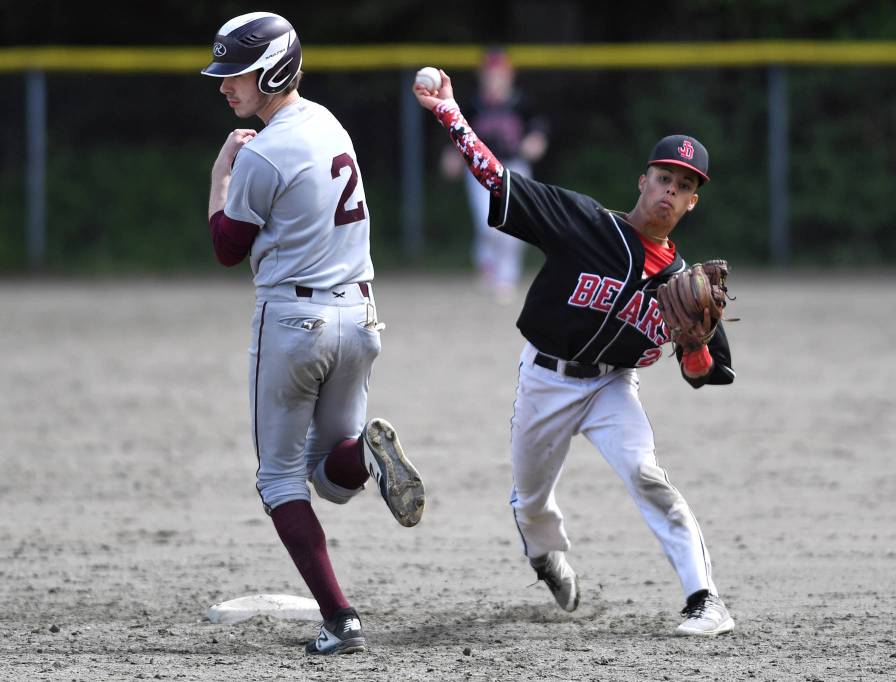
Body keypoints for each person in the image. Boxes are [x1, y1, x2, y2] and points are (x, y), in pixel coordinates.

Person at [413, 70, 736, 636]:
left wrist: (694, 344)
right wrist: (450, 114)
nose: (669, 191)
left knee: (646, 474)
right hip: (546, 380)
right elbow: (497, 179)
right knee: (531, 501)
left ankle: (705, 599)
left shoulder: (690, 283)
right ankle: (545, 557)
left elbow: (705, 373)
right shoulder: (584, 223)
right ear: (643, 180)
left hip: (614, 387)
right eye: (663, 177)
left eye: (683, 186)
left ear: (692, 203)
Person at [201, 12, 425, 655]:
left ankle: (340, 618)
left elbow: (224, 246)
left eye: (235, 73)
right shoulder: (329, 122)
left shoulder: (263, 152)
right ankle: (371, 459)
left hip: (294, 322)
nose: (224, 85)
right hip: (359, 315)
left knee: (278, 482)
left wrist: (221, 171)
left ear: (271, 70)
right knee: (333, 478)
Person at [440, 48, 549, 304]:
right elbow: (459, 132)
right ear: (482, 77)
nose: (494, 80)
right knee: (487, 223)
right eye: (490, 75)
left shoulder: (522, 103)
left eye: (499, 75)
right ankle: (487, 261)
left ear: (510, 76)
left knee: (515, 225)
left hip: (515, 168)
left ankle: (506, 277)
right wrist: (452, 154)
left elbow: (539, 128)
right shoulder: (474, 106)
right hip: (481, 169)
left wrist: (536, 141)